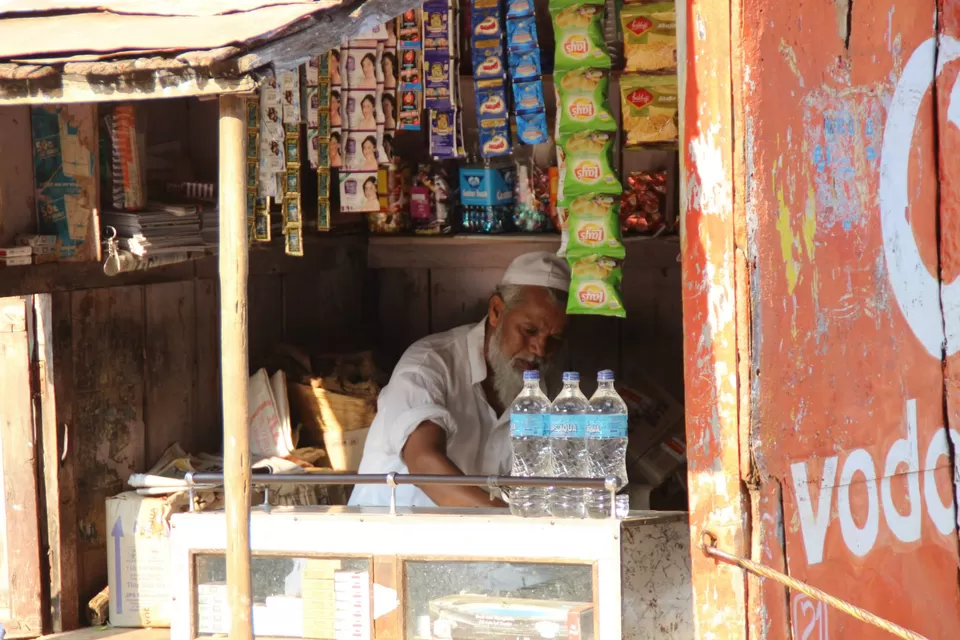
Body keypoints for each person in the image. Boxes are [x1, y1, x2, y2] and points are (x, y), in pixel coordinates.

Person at [348, 252, 570, 509]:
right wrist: (506, 522)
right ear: (497, 311)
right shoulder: (430, 363)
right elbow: (423, 460)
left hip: (474, 542)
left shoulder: (546, 389)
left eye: (554, 339)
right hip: (388, 536)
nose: (540, 349)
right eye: (529, 331)